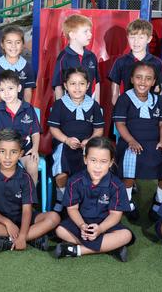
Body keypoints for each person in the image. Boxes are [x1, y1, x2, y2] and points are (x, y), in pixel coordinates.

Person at [113, 61, 162, 221]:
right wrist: (131, 140)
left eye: (148, 78)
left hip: (154, 143)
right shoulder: (124, 99)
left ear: (154, 81)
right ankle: (127, 202)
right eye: (139, 77)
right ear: (132, 79)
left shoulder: (158, 100)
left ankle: (159, 202)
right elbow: (120, 124)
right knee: (130, 158)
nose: (143, 82)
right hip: (130, 142)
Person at [0, 129, 60, 253]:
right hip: (1, 221)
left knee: (54, 217)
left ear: (21, 154)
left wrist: (22, 235)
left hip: (24, 218)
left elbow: (27, 210)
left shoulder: (25, 178)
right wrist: (7, 223)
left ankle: (10, 241)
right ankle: (31, 238)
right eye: (2, 151)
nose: (7, 157)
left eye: (13, 152)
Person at [53, 137, 134, 262]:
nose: (97, 166)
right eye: (93, 160)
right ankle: (110, 247)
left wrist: (101, 229)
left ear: (111, 162)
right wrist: (82, 226)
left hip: (106, 225)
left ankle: (76, 250)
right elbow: (72, 209)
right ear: (85, 160)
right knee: (60, 230)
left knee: (126, 235)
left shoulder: (117, 185)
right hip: (81, 222)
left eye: (103, 161)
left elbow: (115, 215)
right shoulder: (74, 181)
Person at [48, 68, 104, 213]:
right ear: (66, 86)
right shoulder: (60, 105)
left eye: (81, 84)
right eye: (73, 84)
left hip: (87, 146)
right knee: (61, 171)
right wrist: (66, 140)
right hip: (64, 144)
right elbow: (54, 129)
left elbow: (99, 130)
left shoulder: (94, 106)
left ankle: (86, 199)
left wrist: (90, 140)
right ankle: (61, 199)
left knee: (92, 169)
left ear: (87, 85)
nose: (77, 88)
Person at [0, 70, 41, 186]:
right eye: (2, 90)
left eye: (10, 88)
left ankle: (30, 197)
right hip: (3, 149)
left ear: (19, 88)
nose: (6, 93)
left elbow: (35, 132)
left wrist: (35, 149)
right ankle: (1, 198)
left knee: (32, 165)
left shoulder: (28, 109)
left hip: (24, 149)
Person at [109, 18, 162, 105]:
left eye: (141, 37)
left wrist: (157, 108)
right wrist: (118, 109)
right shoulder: (121, 61)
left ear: (149, 39)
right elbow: (115, 87)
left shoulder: (156, 62)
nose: (136, 42)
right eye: (132, 37)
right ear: (127, 38)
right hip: (128, 108)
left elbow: (158, 88)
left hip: (148, 108)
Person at [51, 14, 100, 102]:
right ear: (72, 35)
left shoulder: (92, 57)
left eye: (90, 31)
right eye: (86, 31)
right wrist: (59, 108)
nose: (90, 34)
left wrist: (97, 105)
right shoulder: (63, 58)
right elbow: (58, 85)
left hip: (89, 107)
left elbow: (96, 83)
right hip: (69, 109)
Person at [0, 25, 35, 104]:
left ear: (23, 45)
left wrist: (25, 112)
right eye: (9, 42)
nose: (13, 46)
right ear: (2, 44)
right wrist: (1, 112)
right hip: (0, 112)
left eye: (18, 42)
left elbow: (28, 93)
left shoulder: (27, 67)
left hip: (20, 112)